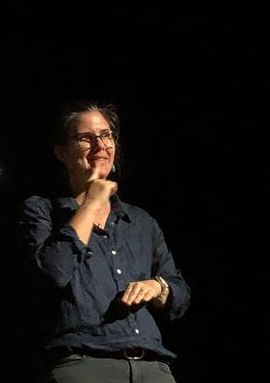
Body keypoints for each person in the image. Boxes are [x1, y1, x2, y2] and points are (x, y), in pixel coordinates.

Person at [18, 100, 190, 383]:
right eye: (85, 138)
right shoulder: (42, 211)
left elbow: (180, 292)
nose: (100, 145)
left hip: (153, 367)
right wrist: (90, 203)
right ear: (61, 152)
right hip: (85, 366)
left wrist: (158, 286)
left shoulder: (141, 222)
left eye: (106, 135)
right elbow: (52, 274)